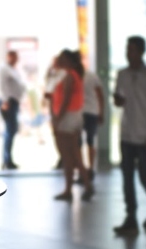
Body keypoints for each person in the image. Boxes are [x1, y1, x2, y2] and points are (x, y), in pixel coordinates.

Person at [113, 36, 146, 234]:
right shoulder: (122, 74)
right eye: (127, 50)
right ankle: (131, 217)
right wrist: (117, 99)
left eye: (132, 50)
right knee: (127, 177)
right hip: (126, 133)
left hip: (144, 134)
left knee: (144, 175)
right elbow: (119, 100)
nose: (129, 54)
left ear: (141, 52)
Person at [52, 50, 94, 201]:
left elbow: (65, 100)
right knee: (74, 155)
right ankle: (82, 185)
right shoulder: (73, 75)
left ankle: (72, 188)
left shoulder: (70, 76)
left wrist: (58, 118)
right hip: (73, 116)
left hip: (68, 118)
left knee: (69, 155)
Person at [0, 51, 27, 170]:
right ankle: (7, 160)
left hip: (13, 102)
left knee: (11, 131)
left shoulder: (12, 70)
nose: (15, 60)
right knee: (9, 130)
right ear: (8, 57)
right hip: (7, 102)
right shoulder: (3, 69)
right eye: (13, 57)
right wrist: (4, 100)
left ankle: (8, 160)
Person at [81, 67, 106, 181]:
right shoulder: (79, 76)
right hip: (84, 112)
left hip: (89, 112)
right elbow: (100, 95)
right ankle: (85, 169)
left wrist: (101, 111)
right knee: (83, 143)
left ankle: (89, 169)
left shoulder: (90, 76)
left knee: (89, 141)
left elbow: (100, 95)